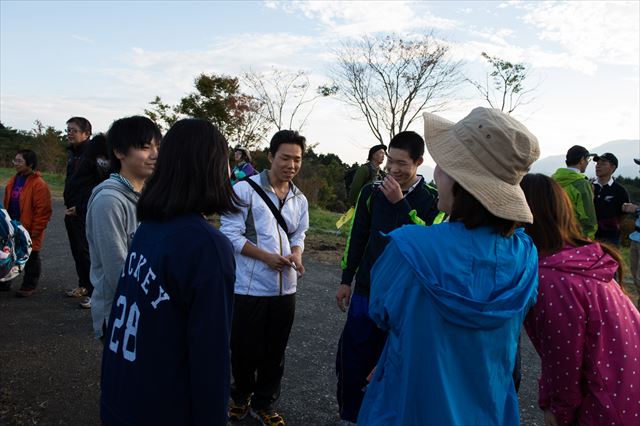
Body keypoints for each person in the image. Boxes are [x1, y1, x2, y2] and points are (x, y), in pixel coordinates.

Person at [357, 107, 540, 425]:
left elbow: (382, 312)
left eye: (443, 165)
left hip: (413, 402)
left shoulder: (409, 247)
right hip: (489, 409)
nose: (437, 174)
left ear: (458, 179)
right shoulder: (525, 255)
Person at [100, 119, 238, 425]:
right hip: (162, 408)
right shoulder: (207, 247)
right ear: (212, 168)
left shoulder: (149, 227)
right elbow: (210, 357)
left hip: (120, 397)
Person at [335, 131, 442, 424]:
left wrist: (400, 204)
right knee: (353, 356)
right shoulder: (371, 192)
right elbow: (357, 237)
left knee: (395, 362)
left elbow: (429, 243)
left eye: (401, 163)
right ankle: (350, 416)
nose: (393, 169)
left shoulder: (433, 198)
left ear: (419, 162)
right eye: (389, 161)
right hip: (367, 289)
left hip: (407, 296)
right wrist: (346, 279)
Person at [520, 173, 640, 425]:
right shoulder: (584, 258)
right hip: (627, 396)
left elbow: (564, 361)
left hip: (604, 409)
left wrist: (558, 411)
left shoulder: (551, 278)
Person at [221, 130, 309, 426]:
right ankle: (240, 397)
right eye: (285, 158)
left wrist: (296, 254)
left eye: (297, 159)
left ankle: (264, 403)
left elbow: (299, 234)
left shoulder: (299, 198)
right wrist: (265, 257)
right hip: (250, 288)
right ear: (271, 157)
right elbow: (230, 234)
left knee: (275, 351)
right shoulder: (243, 190)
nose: (291, 165)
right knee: (243, 348)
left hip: (285, 290)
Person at [86, 116, 161, 337]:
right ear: (119, 152)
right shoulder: (108, 201)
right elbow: (117, 271)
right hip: (119, 315)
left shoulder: (147, 196)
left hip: (145, 308)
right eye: (145, 147)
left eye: (157, 146)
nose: (155, 154)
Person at [1, 150, 52, 296]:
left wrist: (36, 230)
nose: (16, 164)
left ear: (30, 164)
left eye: (20, 161)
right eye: (15, 160)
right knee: (8, 253)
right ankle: (4, 281)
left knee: (31, 256)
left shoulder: (39, 184)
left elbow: (43, 211)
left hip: (29, 227)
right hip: (12, 226)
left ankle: (29, 286)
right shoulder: (13, 180)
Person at [62, 116, 95, 305]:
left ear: (86, 133)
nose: (69, 133)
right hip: (71, 210)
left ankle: (95, 292)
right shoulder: (73, 153)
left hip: (85, 211)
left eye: (73, 130)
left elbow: (99, 184)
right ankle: (83, 285)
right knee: (77, 251)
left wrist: (82, 207)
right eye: (68, 130)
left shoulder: (93, 155)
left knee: (87, 252)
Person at [551, 145, 597, 239]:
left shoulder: (551, 181)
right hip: (574, 236)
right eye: (587, 159)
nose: (587, 163)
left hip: (552, 234)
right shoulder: (581, 184)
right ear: (582, 160)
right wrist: (588, 239)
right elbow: (588, 218)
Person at [592, 152, 630, 245]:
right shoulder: (589, 187)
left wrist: (611, 225)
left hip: (611, 238)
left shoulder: (620, 190)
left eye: (603, 163)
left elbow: (624, 214)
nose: (598, 166)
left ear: (613, 167)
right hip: (590, 236)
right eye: (597, 163)